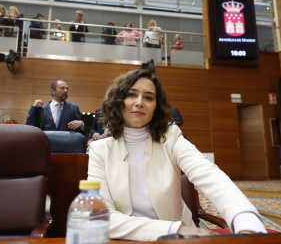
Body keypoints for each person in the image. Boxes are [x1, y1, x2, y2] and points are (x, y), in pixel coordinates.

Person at [88, 69, 267, 241]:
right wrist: (175, 229)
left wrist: (245, 219)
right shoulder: (100, 150)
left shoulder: (171, 137)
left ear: (155, 107)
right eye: (131, 94)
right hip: (131, 239)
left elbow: (208, 174)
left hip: (181, 240)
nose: (140, 102)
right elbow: (101, 217)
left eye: (148, 97)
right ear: (118, 101)